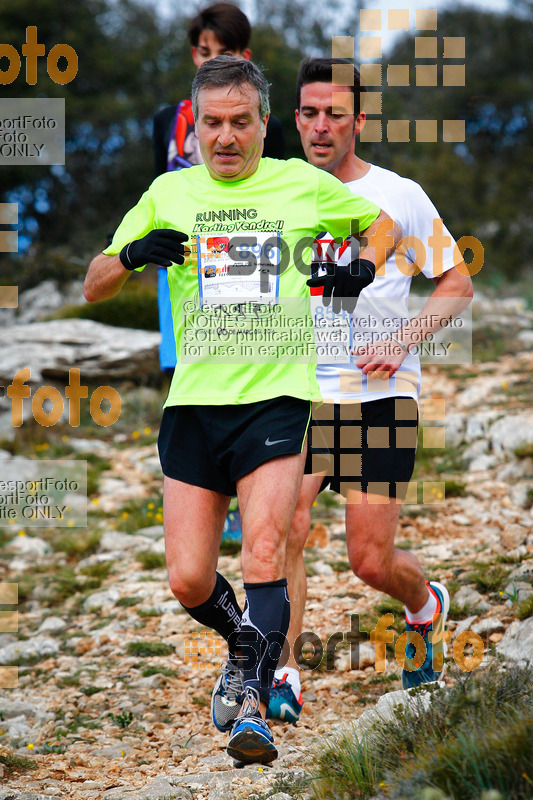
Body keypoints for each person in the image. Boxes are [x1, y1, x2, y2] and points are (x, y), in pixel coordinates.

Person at [84, 56, 400, 764]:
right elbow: (93, 284)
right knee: (189, 578)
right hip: (195, 404)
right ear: (195, 128)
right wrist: (133, 252)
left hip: (276, 400)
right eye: (212, 125)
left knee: (264, 548)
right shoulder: (168, 191)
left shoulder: (298, 181)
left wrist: (358, 266)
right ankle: (240, 642)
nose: (225, 138)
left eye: (240, 123)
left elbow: (382, 227)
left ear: (265, 124)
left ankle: (253, 707)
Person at [266, 57, 474, 723]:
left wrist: (404, 338)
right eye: (308, 113)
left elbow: (456, 284)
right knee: (286, 527)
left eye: (334, 114)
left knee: (369, 560)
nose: (320, 126)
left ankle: (423, 605)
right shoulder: (275, 195)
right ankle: (285, 672)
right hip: (299, 395)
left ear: (358, 120)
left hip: (379, 398)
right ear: (293, 119)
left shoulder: (399, 195)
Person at [153, 2, 284, 373]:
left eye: (223, 54)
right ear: (194, 53)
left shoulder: (264, 128)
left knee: (244, 359)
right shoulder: (166, 121)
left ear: (245, 56)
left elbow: (276, 189)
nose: (210, 62)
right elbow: (157, 192)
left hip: (244, 252)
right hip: (181, 260)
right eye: (204, 52)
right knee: (182, 363)